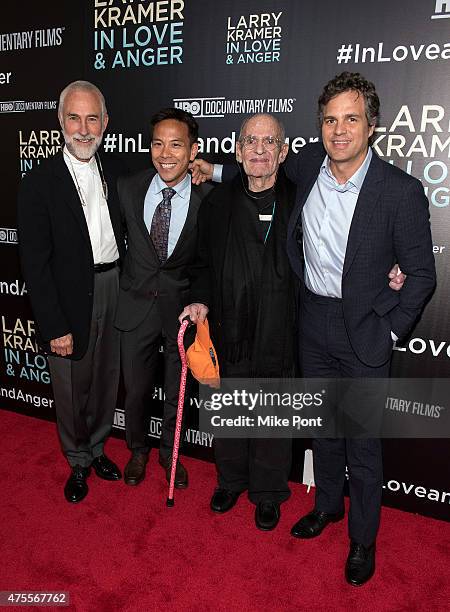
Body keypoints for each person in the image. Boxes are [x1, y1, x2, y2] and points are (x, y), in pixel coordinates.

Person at [181, 114, 296, 531]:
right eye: (251, 141)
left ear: (284, 152)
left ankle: (268, 491)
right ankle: (230, 480)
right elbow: (202, 265)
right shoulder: (216, 203)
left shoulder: (301, 200)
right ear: (237, 149)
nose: (260, 150)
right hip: (229, 324)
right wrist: (199, 300)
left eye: (270, 142)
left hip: (281, 327)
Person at [17, 80, 126, 503]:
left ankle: (98, 447)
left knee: (105, 379)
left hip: (113, 285)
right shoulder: (38, 183)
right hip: (66, 298)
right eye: (75, 118)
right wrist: (54, 324)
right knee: (70, 385)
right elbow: (34, 265)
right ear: (61, 121)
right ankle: (77, 459)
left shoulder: (116, 172)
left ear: (105, 123)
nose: (84, 128)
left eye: (92, 118)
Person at [116, 108, 211, 489]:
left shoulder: (209, 198)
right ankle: (137, 449)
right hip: (134, 305)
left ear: (193, 151)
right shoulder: (127, 187)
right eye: (158, 143)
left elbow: (208, 262)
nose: (165, 153)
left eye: (176, 144)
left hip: (181, 313)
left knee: (178, 392)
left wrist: (199, 299)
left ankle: (171, 454)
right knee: (136, 390)